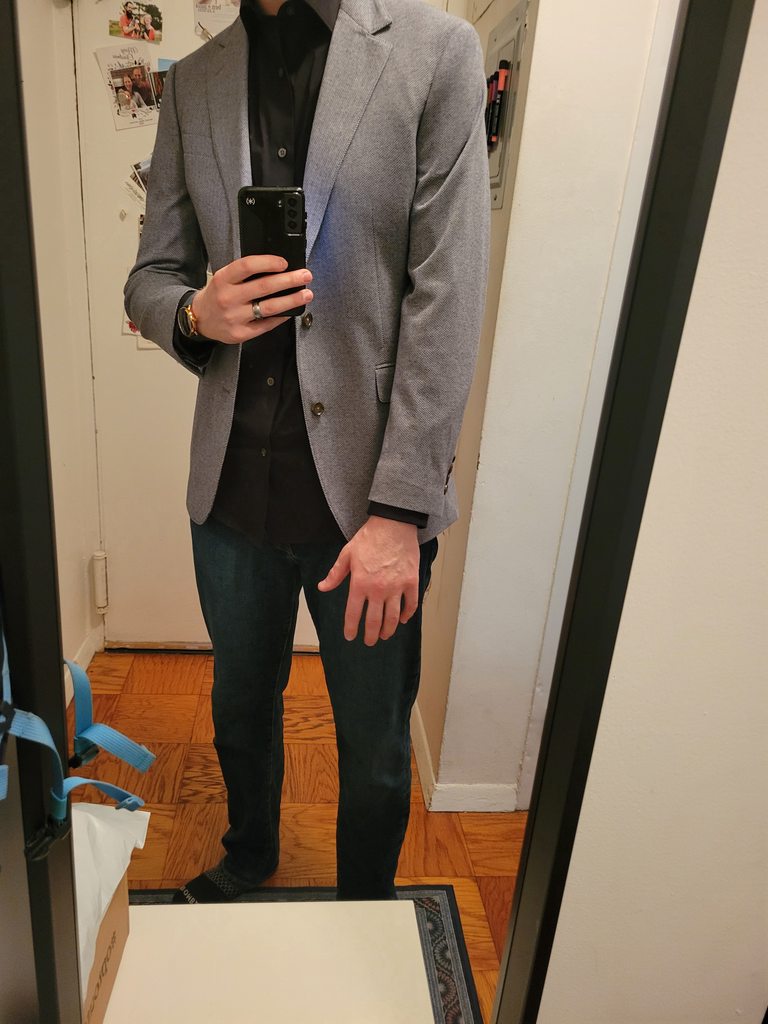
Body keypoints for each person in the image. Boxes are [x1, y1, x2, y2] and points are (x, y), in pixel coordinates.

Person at [124, 0, 490, 903]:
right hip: (230, 490)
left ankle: (363, 905)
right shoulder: (193, 82)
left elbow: (446, 297)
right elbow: (151, 276)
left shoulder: (436, 53)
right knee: (239, 710)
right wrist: (193, 313)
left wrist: (400, 514)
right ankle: (251, 853)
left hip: (369, 506)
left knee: (373, 745)